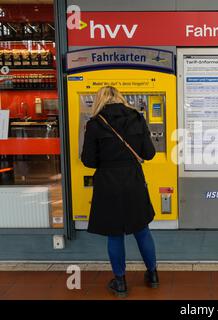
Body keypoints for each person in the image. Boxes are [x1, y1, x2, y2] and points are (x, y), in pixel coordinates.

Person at [81, 86, 159, 297]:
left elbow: (88, 161)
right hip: (133, 180)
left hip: (108, 183)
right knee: (142, 230)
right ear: (120, 98)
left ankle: (120, 283)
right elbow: (149, 153)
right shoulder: (136, 117)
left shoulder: (95, 124)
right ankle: (152, 275)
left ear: (99, 101)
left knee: (115, 234)